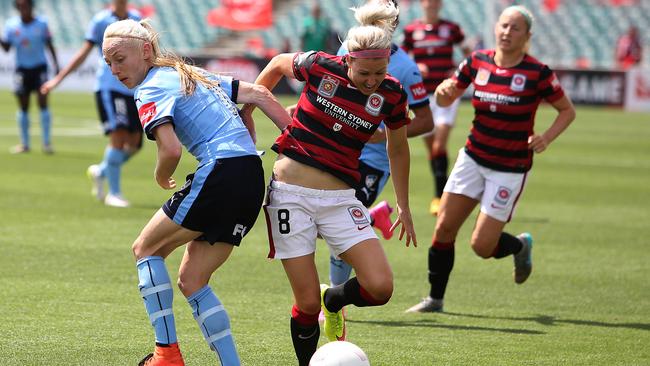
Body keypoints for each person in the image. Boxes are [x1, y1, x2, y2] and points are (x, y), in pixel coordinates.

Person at [101, 18, 292, 366]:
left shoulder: (150, 87)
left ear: (145, 52)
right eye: (108, 63)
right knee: (192, 280)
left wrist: (161, 176)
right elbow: (260, 94)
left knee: (145, 249)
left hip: (221, 171)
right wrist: (299, 148)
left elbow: (170, 150)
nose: (115, 70)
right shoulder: (190, 73)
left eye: (119, 59)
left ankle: (166, 355)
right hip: (250, 175)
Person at [242, 2, 416, 364]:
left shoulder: (393, 94)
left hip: (341, 199)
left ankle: (334, 299)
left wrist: (404, 204)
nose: (372, 81)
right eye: (365, 72)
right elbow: (275, 65)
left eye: (380, 72)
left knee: (380, 287)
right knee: (305, 304)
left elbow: (398, 149)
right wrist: (248, 110)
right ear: (348, 60)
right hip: (290, 195)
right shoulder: (320, 65)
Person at [406, 5, 576, 313]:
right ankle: (435, 299)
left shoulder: (537, 73)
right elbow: (447, 97)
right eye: (504, 26)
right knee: (444, 227)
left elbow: (567, 110)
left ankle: (520, 246)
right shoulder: (476, 61)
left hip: (509, 168)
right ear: (495, 28)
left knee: (482, 246)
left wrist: (546, 137)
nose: (507, 32)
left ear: (527, 36)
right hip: (472, 158)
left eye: (515, 28)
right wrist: (444, 92)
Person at [326, 0, 432, 301]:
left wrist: (381, 136)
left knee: (341, 235)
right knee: (325, 227)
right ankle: (374, 217)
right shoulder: (347, 49)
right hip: (339, 152)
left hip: (372, 163)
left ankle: (334, 303)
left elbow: (425, 121)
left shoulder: (406, 70)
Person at [41, 0, 141, 207]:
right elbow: (83, 53)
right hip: (109, 86)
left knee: (135, 143)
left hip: (131, 88)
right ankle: (114, 193)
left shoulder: (136, 19)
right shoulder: (101, 20)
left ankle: (101, 171)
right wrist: (57, 80)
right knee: (119, 135)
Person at [401, 0, 471, 215]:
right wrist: (415, 66)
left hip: (445, 95)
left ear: (440, 5)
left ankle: (439, 197)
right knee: (432, 148)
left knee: (439, 146)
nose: (431, 4)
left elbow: (469, 54)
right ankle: (444, 190)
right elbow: (400, 58)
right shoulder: (412, 30)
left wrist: (457, 73)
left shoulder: (451, 28)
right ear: (422, 4)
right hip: (421, 96)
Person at [1, 0, 59, 154]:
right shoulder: (11, 25)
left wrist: (56, 65)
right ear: (17, 7)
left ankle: (46, 143)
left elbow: (49, 44)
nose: (23, 8)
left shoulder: (41, 23)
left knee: (42, 102)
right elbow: (6, 48)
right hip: (22, 70)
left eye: (25, 5)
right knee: (23, 106)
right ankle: (24, 144)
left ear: (31, 6)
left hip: (40, 68)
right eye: (20, 6)